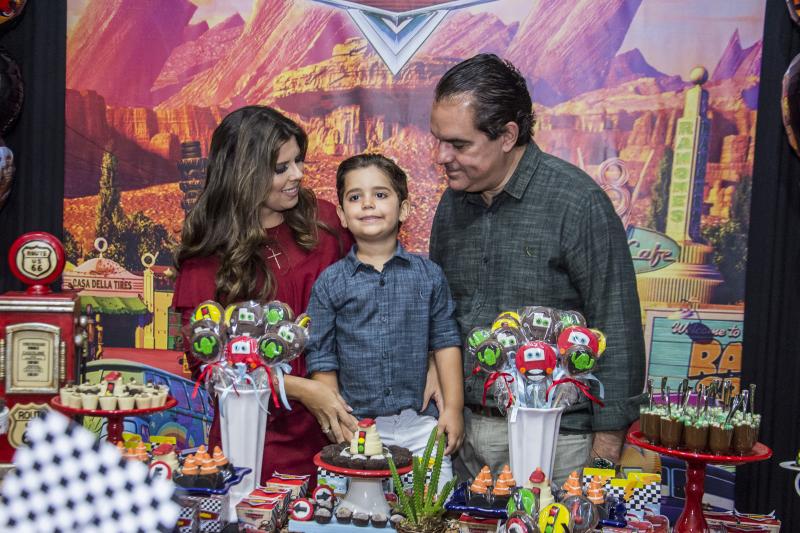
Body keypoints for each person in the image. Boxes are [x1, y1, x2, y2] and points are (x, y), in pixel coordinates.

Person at [428, 54, 646, 485]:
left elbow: (617, 331)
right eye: (437, 140)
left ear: (507, 135)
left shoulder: (576, 202)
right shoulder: (451, 205)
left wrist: (602, 463)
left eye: (458, 144)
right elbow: (440, 314)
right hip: (467, 439)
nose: (441, 156)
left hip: (560, 442)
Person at [172, 105, 358, 484]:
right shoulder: (207, 259)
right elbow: (209, 367)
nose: (298, 175)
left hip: (336, 431)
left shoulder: (325, 223)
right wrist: (301, 389)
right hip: (252, 439)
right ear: (244, 174)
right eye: (281, 168)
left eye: (298, 161)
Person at [305, 153, 465, 483]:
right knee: (356, 508)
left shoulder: (429, 276)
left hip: (422, 427)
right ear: (342, 215)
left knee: (430, 506)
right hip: (358, 430)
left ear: (403, 209)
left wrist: (453, 409)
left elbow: (446, 341)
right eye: (355, 197)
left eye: (380, 194)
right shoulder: (330, 282)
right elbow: (322, 356)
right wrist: (339, 422)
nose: (367, 204)